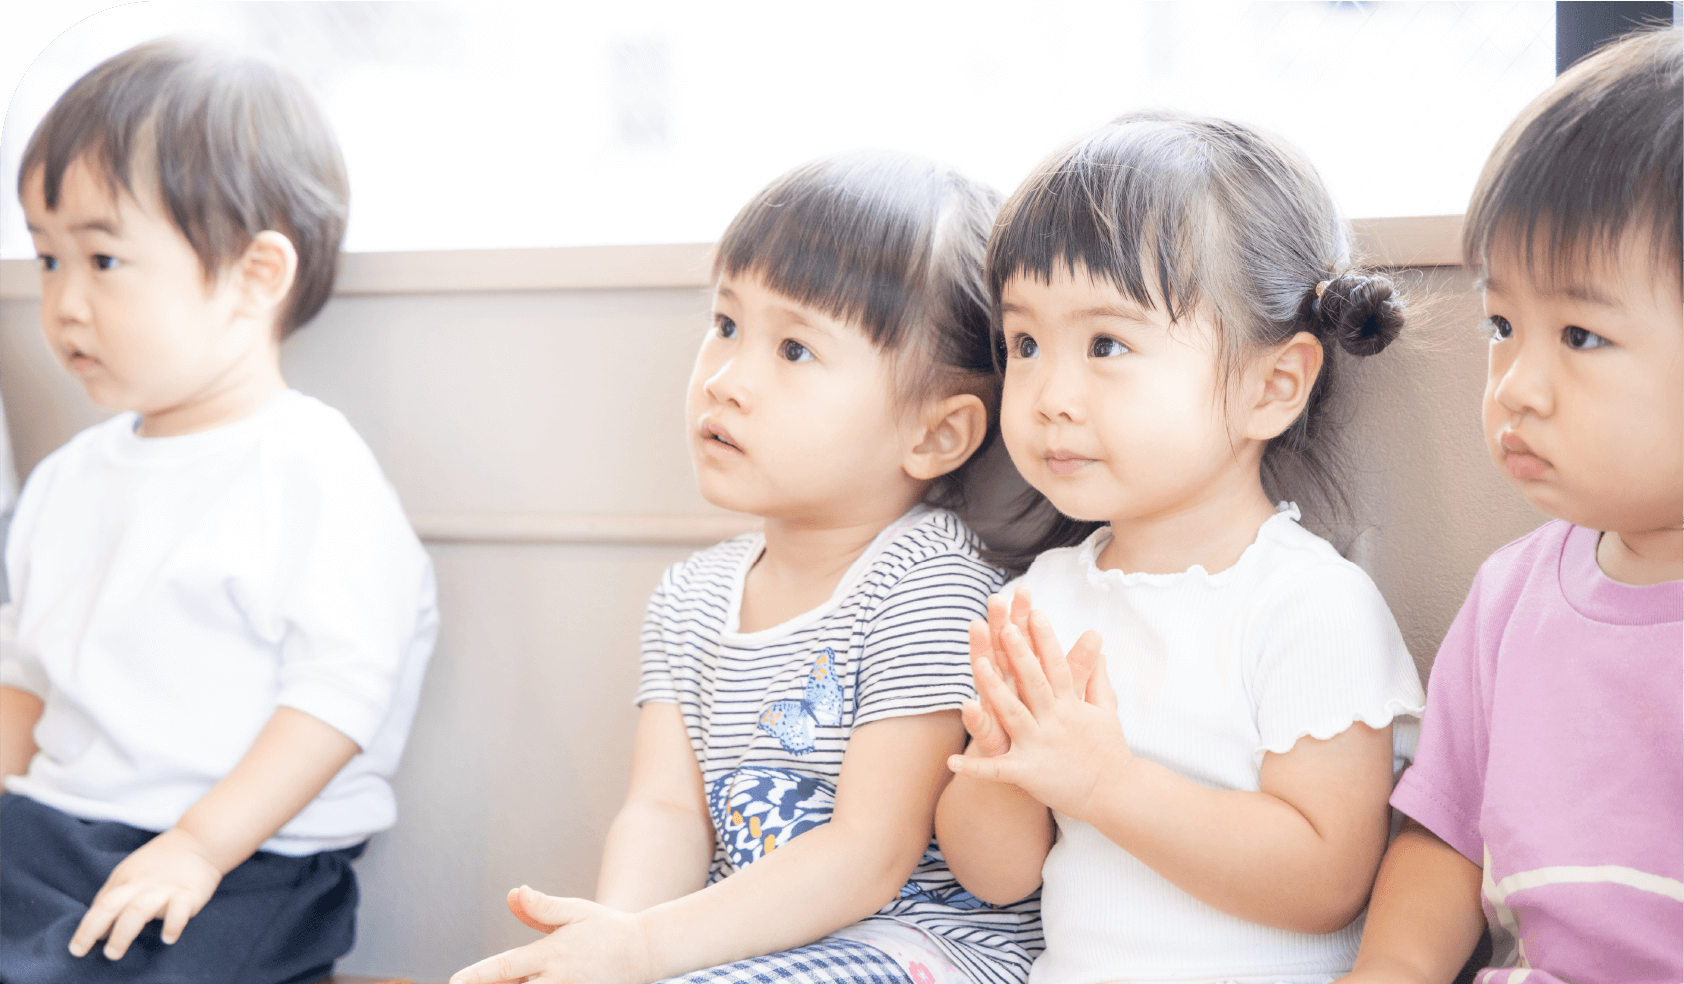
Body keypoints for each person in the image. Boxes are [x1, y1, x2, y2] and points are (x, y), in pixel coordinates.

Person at [451, 152, 1040, 984]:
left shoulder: (932, 580)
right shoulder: (690, 598)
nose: (725, 381)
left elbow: (870, 852)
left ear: (936, 434)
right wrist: (614, 941)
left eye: (794, 349)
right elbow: (665, 811)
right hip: (746, 951)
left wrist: (648, 949)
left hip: (915, 948)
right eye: (725, 325)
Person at [934, 112, 1427, 983]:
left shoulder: (1307, 606)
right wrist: (1001, 764)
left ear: (1272, 386)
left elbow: (1328, 881)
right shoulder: (1039, 601)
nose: (1049, 394)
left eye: (1106, 343)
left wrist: (1106, 784)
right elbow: (997, 878)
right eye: (1025, 344)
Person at [0, 39, 438, 984]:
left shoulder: (310, 470)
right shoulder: (68, 479)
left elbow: (338, 695)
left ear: (255, 275)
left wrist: (199, 844)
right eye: (47, 259)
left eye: (103, 258)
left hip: (245, 861)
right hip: (50, 830)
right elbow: (23, 680)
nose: (64, 302)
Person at [1337, 26, 1682, 984]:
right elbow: (1447, 838)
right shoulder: (1508, 599)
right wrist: (1391, 969)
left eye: (1581, 335)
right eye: (1502, 325)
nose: (1517, 386)